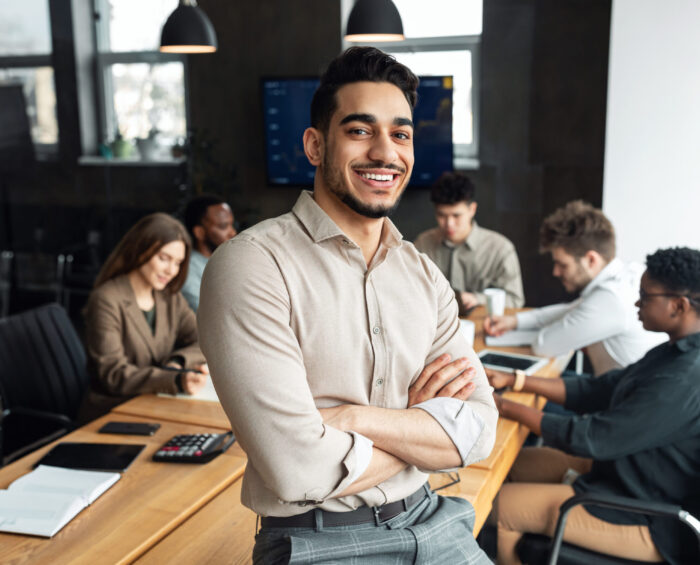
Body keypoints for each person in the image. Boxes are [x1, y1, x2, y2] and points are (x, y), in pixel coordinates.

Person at [199, 47, 497, 564]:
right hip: (320, 543)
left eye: (400, 134)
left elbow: (477, 433)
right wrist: (417, 425)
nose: (385, 153)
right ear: (315, 145)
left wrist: (350, 419)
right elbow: (297, 468)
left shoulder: (424, 274)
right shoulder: (252, 265)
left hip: (433, 518)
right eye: (360, 131)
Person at [486, 246, 700, 565]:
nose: (637, 302)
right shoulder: (672, 352)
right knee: (511, 463)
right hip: (619, 473)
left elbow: (592, 438)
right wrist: (516, 381)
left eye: (645, 295)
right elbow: (601, 388)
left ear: (678, 305)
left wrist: (504, 407)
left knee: (499, 507)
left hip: (645, 513)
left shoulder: (683, 378)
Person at [485, 200, 664, 376]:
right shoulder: (627, 274)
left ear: (591, 260)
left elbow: (544, 346)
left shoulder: (611, 299)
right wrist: (514, 321)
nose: (555, 272)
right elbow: (573, 309)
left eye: (562, 265)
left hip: (617, 402)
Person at [80, 213, 208, 421]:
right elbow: (114, 374)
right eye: (164, 258)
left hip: (157, 404)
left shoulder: (170, 298)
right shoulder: (106, 299)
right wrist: (174, 379)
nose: (171, 270)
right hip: (112, 412)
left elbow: (204, 338)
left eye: (178, 262)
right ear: (140, 250)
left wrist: (177, 362)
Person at [415, 172, 525, 313]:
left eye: (456, 215)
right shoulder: (423, 244)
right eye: (442, 215)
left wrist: (477, 299)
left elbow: (515, 300)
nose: (449, 224)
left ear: (472, 209)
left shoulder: (500, 249)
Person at [181, 194, 237, 312]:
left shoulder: (230, 261)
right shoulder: (188, 269)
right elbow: (207, 313)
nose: (232, 232)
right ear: (199, 232)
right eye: (223, 226)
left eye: (232, 225)